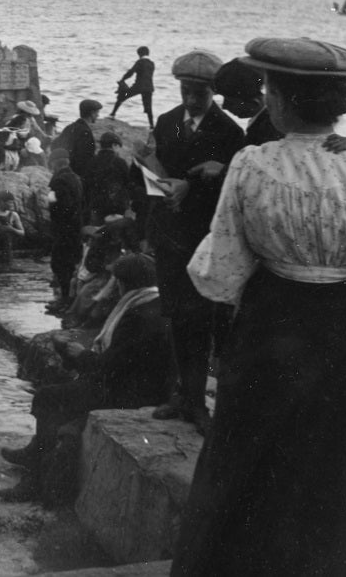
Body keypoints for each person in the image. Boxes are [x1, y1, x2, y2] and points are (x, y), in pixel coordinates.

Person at [172, 38, 346, 575]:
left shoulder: (253, 163)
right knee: (341, 453)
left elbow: (219, 270)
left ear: (281, 99)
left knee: (249, 456)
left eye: (268, 88)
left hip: (275, 322)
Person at [0, 253, 171, 506]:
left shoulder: (138, 316)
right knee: (59, 394)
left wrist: (78, 354)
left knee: (47, 398)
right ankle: (36, 452)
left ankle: (35, 477)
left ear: (123, 283)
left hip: (132, 395)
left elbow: (108, 368)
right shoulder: (153, 305)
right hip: (144, 388)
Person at [148, 50, 243, 435]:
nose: (190, 99)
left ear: (212, 92)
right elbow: (156, 164)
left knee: (202, 319)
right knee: (174, 314)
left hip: (203, 236)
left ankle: (197, 400)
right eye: (186, 90)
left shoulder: (231, 131)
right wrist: (157, 180)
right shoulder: (168, 121)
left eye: (199, 93)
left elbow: (232, 188)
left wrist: (190, 187)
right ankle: (180, 395)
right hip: (169, 232)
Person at [46, 148, 84, 314]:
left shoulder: (58, 181)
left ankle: (64, 300)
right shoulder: (76, 178)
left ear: (55, 163)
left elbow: (59, 205)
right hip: (76, 227)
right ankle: (68, 299)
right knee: (71, 263)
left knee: (60, 264)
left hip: (63, 228)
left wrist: (51, 205)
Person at [213, 58, 283, 147]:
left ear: (254, 102)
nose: (224, 107)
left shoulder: (265, 134)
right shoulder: (273, 122)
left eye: (230, 102)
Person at [83, 131, 130, 224]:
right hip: (117, 206)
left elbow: (86, 183)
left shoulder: (92, 162)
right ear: (114, 145)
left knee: (98, 231)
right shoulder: (120, 162)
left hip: (96, 205)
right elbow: (128, 183)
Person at [54, 99, 101, 180]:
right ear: (92, 113)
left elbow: (55, 145)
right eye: (97, 113)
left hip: (64, 171)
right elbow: (86, 158)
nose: (98, 115)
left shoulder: (70, 127)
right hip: (78, 175)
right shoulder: (85, 132)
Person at [110, 46, 156, 128]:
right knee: (149, 107)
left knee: (122, 96)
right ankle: (152, 126)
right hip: (149, 88)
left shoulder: (140, 62)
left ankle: (112, 114)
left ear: (139, 54)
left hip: (138, 86)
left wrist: (122, 79)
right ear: (148, 53)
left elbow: (131, 72)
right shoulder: (152, 63)